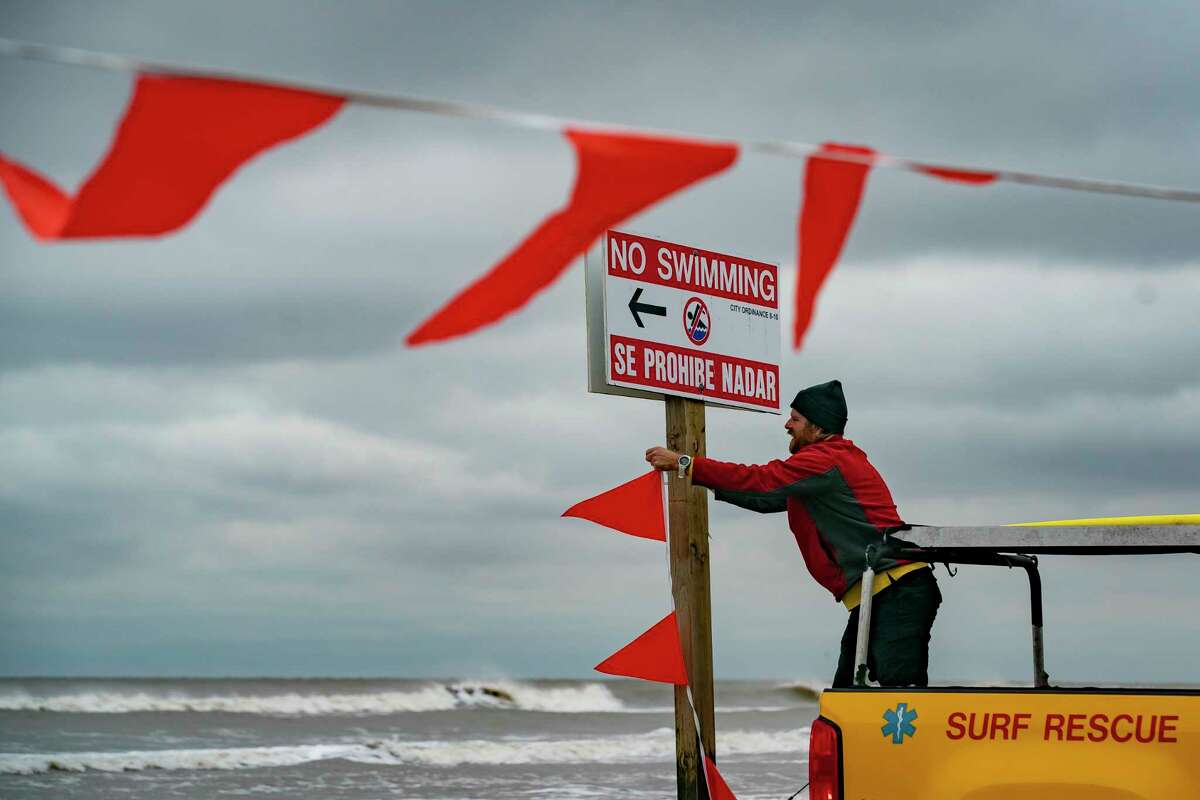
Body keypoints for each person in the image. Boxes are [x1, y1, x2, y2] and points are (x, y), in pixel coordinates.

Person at [645, 379, 940, 688]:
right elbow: (767, 498)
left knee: (900, 699)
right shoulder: (822, 468)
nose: (787, 424)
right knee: (848, 696)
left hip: (897, 590)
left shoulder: (825, 460)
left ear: (818, 427)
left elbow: (759, 479)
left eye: (796, 419)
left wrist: (685, 463)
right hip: (880, 593)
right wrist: (694, 476)